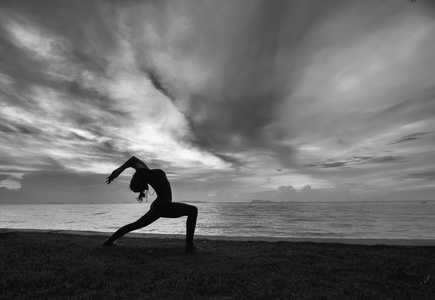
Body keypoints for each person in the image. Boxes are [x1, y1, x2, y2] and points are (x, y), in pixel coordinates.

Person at [101, 156, 198, 253]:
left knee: (135, 225)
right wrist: (118, 171)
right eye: (133, 178)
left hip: (158, 206)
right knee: (193, 210)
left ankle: (108, 242)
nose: (133, 175)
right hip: (162, 206)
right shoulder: (145, 173)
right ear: (141, 180)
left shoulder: (146, 173)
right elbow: (133, 160)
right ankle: (189, 246)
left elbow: (135, 160)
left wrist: (119, 171)